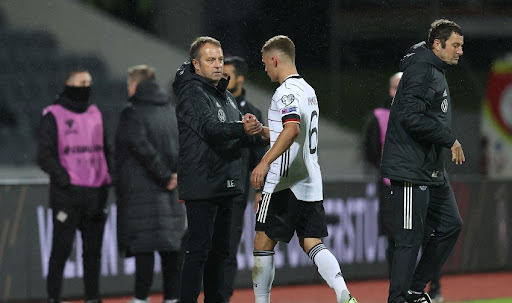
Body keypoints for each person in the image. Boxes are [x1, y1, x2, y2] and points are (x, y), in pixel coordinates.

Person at [250, 35, 357, 303]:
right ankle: (342, 291)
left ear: (275, 59)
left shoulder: (284, 92)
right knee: (312, 241)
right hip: (310, 181)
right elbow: (293, 133)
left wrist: (264, 162)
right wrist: (263, 131)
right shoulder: (308, 90)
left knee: (263, 242)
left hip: (284, 181)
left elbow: (291, 129)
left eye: (265, 63)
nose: (265, 69)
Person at [172, 36, 263, 303]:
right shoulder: (191, 92)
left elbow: (235, 133)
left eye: (220, 59)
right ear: (196, 65)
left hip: (226, 181)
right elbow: (211, 130)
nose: (218, 65)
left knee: (220, 253)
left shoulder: (223, 94)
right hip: (202, 183)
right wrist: (241, 128)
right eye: (210, 60)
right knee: (199, 250)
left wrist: (257, 132)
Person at [380, 19, 465, 303]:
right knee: (408, 242)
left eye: (461, 46)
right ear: (437, 44)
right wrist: (448, 138)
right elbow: (410, 116)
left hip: (430, 170)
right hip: (411, 170)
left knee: (451, 224)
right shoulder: (422, 70)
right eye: (455, 45)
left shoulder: (432, 68)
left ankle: (415, 290)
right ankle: (399, 299)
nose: (460, 51)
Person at [37, 68, 111, 303]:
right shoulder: (53, 114)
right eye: (82, 82)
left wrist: (109, 176)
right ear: (69, 84)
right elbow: (44, 155)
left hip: (96, 192)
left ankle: (92, 298)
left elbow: (105, 149)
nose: (87, 86)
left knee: (93, 252)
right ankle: (53, 298)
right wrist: (64, 178)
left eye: (89, 81)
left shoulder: (95, 113)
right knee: (61, 250)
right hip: (67, 195)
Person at [115, 65, 186, 303]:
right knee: (170, 251)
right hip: (171, 195)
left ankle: (141, 298)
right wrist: (175, 174)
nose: (128, 89)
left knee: (144, 251)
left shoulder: (131, 112)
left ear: (136, 84)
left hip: (142, 195)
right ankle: (172, 299)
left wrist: (164, 176)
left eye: (128, 84)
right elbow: (184, 147)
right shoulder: (172, 111)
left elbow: (142, 148)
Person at [222, 56, 267, 303]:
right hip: (211, 187)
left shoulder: (252, 111)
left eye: (228, 74)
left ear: (240, 77)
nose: (223, 78)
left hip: (237, 191)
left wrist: (261, 190)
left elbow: (259, 155)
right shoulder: (212, 104)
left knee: (228, 247)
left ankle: (223, 297)